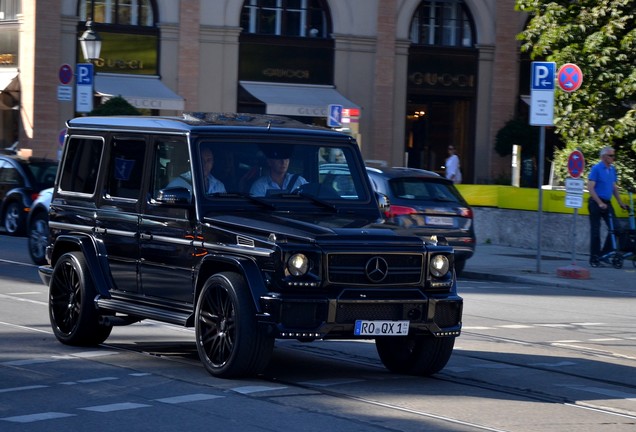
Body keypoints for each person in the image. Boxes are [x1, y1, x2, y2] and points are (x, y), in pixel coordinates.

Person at [588, 146, 628, 265]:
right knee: (596, 231)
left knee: (617, 229)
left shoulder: (612, 169)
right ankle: (594, 258)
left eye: (613, 155)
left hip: (607, 202)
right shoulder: (596, 168)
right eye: (611, 155)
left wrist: (620, 203)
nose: (613, 158)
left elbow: (614, 187)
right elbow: (590, 187)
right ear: (604, 157)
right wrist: (599, 203)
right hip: (595, 202)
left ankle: (604, 254)